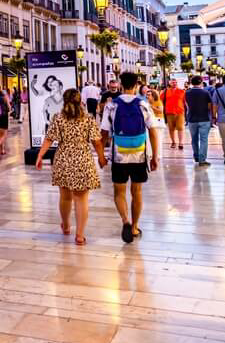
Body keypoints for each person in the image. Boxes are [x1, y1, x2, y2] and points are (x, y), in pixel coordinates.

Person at [35, 88, 106, 245]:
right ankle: (80, 236)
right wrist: (101, 158)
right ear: (80, 100)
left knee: (65, 197)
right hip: (83, 160)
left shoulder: (58, 118)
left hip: (63, 159)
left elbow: (49, 139)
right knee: (81, 199)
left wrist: (40, 156)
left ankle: (66, 225)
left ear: (64, 101)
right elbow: (97, 141)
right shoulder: (88, 119)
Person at [101, 71, 159, 243]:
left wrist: (101, 155)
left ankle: (125, 220)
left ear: (120, 84)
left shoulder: (111, 105)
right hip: (139, 154)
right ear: (136, 86)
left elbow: (103, 132)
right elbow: (153, 132)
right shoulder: (143, 104)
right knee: (137, 191)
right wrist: (154, 156)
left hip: (119, 154)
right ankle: (134, 227)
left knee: (119, 191)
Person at [184, 75, 213, 167]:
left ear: (191, 83)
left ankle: (196, 156)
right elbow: (209, 105)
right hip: (204, 118)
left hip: (192, 119)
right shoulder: (205, 92)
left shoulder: (187, 93)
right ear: (201, 82)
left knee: (194, 139)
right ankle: (202, 159)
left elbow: (187, 105)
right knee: (204, 139)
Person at [162, 79, 186, 150]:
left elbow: (185, 102)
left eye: (175, 82)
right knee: (171, 129)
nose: (174, 83)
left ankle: (180, 143)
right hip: (169, 112)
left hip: (180, 112)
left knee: (180, 128)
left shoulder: (182, 91)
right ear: (170, 83)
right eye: (173, 82)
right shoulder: (165, 92)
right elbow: (160, 100)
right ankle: (173, 142)